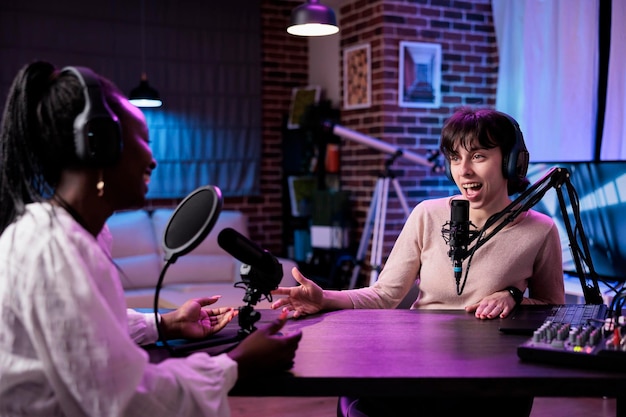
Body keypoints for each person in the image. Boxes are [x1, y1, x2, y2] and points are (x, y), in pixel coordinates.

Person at [0, 61, 302, 417]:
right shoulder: (52, 250)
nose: (153, 160)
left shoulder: (76, 235)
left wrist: (166, 323)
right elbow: (126, 402)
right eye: (143, 140)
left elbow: (88, 336)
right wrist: (236, 364)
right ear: (101, 144)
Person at [271, 107, 565, 417]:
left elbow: (554, 307)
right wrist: (325, 297)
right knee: (358, 404)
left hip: (492, 371)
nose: (463, 171)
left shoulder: (540, 229)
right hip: (421, 364)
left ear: (511, 161)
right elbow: (384, 294)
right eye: (455, 158)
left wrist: (514, 296)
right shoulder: (427, 214)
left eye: (477, 156)